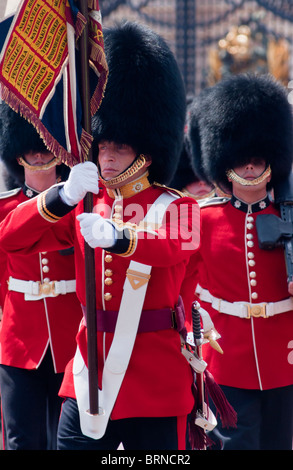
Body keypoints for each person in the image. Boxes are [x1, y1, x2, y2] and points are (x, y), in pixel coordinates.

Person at [0, 22, 201, 450]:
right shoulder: (85, 203)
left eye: (120, 148)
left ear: (147, 152)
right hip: (89, 370)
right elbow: (12, 238)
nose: (107, 157)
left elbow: (170, 249)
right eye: (102, 145)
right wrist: (60, 196)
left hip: (154, 375)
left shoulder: (178, 206)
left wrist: (117, 237)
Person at [191, 73, 293, 450]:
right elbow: (183, 285)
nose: (249, 168)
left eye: (257, 159)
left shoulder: (289, 214)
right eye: (240, 160)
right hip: (226, 355)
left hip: (285, 352)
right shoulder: (203, 218)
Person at [0, 104, 83, 450]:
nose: (37, 153)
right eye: (30, 148)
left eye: (45, 146)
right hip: (20, 340)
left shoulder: (81, 204)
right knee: (23, 440)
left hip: (70, 336)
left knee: (69, 441)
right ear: (17, 155)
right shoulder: (4, 207)